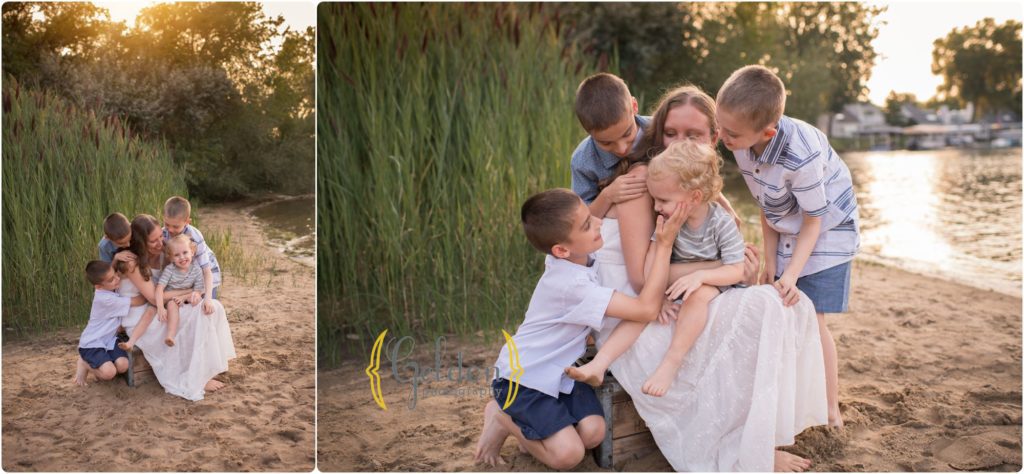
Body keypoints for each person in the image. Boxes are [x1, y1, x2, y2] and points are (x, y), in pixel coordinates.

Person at [590, 83, 828, 471]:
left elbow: (726, 254)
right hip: (641, 302)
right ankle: (743, 448)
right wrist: (712, 274)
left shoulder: (695, 189)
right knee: (756, 309)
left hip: (676, 291)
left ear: (715, 138)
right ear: (657, 132)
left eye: (693, 135)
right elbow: (642, 277)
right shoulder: (646, 183)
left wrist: (733, 271)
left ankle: (756, 436)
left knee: (783, 304)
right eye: (670, 133)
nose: (677, 143)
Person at [473, 188, 686, 469]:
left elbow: (576, 225)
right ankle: (500, 417)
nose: (598, 223)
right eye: (588, 224)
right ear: (561, 249)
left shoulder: (573, 256)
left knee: (594, 432)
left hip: (560, 371)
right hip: (522, 379)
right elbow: (645, 310)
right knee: (568, 456)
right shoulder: (571, 285)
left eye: (590, 216)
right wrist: (664, 243)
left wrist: (608, 195)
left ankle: (532, 429)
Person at [716, 65, 860, 428]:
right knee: (784, 311)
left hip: (827, 228)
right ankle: (796, 394)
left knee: (813, 317)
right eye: (720, 126)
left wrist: (792, 274)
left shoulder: (801, 155)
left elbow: (814, 220)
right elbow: (768, 207)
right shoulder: (741, 142)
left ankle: (830, 409)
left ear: (768, 131)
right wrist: (771, 264)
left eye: (730, 132)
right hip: (790, 224)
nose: (721, 137)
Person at [567, 140, 746, 397]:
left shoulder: (720, 223)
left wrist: (701, 276)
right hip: (676, 285)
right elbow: (651, 273)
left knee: (697, 297)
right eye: (654, 199)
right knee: (642, 310)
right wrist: (664, 241)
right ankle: (599, 363)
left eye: (662, 199)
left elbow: (736, 269)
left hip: (713, 282)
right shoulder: (666, 222)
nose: (655, 207)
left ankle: (671, 363)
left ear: (694, 197)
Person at [570, 74, 741, 226]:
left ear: (634, 106)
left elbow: (694, 175)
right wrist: (607, 196)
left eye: (627, 133)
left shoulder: (660, 130)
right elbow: (581, 223)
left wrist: (726, 207)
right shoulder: (583, 160)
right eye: (606, 143)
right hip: (613, 229)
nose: (621, 149)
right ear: (587, 131)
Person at [117, 214, 236, 401]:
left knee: (213, 307)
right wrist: (190, 291)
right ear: (140, 243)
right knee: (194, 318)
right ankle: (198, 377)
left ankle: (207, 366)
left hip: (159, 305)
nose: (161, 242)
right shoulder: (131, 262)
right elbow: (154, 297)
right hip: (141, 315)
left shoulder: (165, 251)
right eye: (153, 241)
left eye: (160, 236)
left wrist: (195, 294)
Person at [73, 261, 135, 387]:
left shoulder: (109, 287)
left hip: (109, 340)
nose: (117, 279)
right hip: (92, 342)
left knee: (123, 365)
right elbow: (136, 301)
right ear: (98, 286)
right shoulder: (104, 299)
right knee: (109, 373)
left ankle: (100, 364)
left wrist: (117, 258)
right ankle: (84, 362)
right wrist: (154, 296)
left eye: (116, 275)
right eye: (112, 280)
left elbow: (111, 274)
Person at [162, 196, 221, 306]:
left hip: (206, 272)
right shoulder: (163, 234)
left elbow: (206, 270)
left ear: (187, 222)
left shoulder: (195, 236)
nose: (170, 230)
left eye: (175, 226)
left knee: (206, 305)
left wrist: (208, 299)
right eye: (167, 224)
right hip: (187, 272)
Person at [155, 234, 206, 347]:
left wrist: (188, 296)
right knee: (172, 304)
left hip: (187, 297)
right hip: (172, 298)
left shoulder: (196, 270)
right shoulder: (170, 270)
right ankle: (170, 335)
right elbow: (159, 289)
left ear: (192, 252)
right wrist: (160, 307)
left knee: (196, 299)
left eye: (185, 252)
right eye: (177, 255)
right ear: (171, 258)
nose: (182, 257)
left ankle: (199, 340)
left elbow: (198, 290)